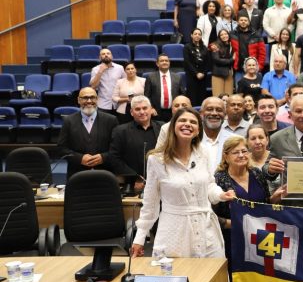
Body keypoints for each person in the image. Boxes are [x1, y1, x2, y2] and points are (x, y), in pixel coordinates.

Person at [130, 109, 236, 259]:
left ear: (198, 130)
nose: (188, 124)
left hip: (206, 230)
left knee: (212, 272)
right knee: (175, 272)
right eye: (182, 120)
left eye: (193, 122)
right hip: (174, 231)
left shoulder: (203, 153)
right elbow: (150, 202)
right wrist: (140, 238)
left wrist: (221, 194)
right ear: (173, 126)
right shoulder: (156, 160)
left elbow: (209, 185)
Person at [214, 135, 284, 272]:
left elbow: (265, 205)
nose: (241, 155)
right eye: (235, 152)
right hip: (233, 240)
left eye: (244, 151)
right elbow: (213, 216)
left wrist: (275, 198)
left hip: (260, 238)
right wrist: (235, 224)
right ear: (226, 156)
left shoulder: (256, 173)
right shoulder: (218, 179)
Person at [59, 87, 120, 179]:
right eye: (85, 98)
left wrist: (103, 157)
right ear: (78, 100)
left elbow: (118, 148)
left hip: (105, 174)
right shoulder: (69, 121)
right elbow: (62, 148)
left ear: (97, 99)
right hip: (77, 175)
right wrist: (80, 158)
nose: (89, 101)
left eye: (92, 97)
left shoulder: (111, 120)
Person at [107, 95, 163, 189]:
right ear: (131, 112)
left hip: (160, 181)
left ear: (151, 110)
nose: (142, 112)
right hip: (131, 184)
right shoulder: (120, 131)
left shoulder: (163, 128)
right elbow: (114, 158)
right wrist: (135, 178)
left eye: (145, 108)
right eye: (137, 109)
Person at [144, 54, 185, 123]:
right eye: (162, 61)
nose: (164, 62)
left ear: (169, 63)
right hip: (156, 112)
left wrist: (179, 107)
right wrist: (151, 108)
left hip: (173, 111)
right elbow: (147, 95)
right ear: (157, 64)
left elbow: (182, 94)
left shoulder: (177, 77)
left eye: (166, 61)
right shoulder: (150, 77)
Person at [90, 48, 125, 113]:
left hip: (119, 104)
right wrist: (100, 71)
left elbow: (125, 83)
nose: (106, 55)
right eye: (103, 54)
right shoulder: (95, 69)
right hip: (103, 105)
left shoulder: (120, 68)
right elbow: (93, 87)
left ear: (112, 56)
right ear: (100, 58)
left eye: (108, 53)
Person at [182, 28, 210, 106]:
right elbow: (187, 62)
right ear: (191, 35)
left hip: (203, 77)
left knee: (202, 98)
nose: (197, 35)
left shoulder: (205, 48)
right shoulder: (187, 47)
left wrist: (203, 73)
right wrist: (196, 73)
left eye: (199, 34)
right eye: (195, 34)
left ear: (201, 36)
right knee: (192, 98)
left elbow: (208, 63)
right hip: (192, 76)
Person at [210, 29, 235, 96]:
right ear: (219, 37)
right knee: (217, 97)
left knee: (229, 96)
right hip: (218, 74)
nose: (224, 36)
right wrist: (231, 60)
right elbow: (217, 60)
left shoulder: (232, 45)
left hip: (229, 73)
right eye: (221, 35)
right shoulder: (215, 45)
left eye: (225, 34)